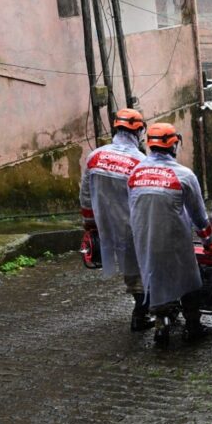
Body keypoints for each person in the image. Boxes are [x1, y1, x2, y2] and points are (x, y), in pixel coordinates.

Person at [128, 123, 212, 343]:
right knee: (189, 281)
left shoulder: (135, 173)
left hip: (144, 238)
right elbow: (199, 216)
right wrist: (209, 242)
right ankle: (193, 326)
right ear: (173, 144)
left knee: (154, 278)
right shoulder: (184, 175)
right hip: (175, 240)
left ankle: (160, 326)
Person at [79, 108, 153, 332]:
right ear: (139, 131)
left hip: (106, 225)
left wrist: (91, 223)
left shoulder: (95, 156)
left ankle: (142, 310)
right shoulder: (140, 162)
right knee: (142, 270)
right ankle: (141, 315)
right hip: (133, 226)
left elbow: (85, 193)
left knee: (131, 271)